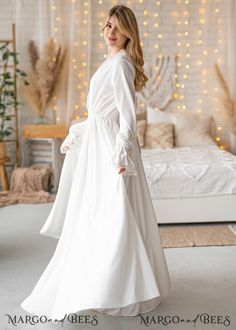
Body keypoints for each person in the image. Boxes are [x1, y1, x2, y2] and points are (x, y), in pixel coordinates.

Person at [21, 4, 171, 319]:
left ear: (129, 33)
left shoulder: (120, 66)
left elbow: (128, 117)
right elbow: (100, 113)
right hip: (98, 145)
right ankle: (105, 281)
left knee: (112, 214)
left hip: (109, 150)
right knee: (99, 214)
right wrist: (77, 132)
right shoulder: (111, 62)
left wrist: (121, 154)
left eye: (117, 27)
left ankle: (121, 286)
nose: (110, 32)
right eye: (107, 25)